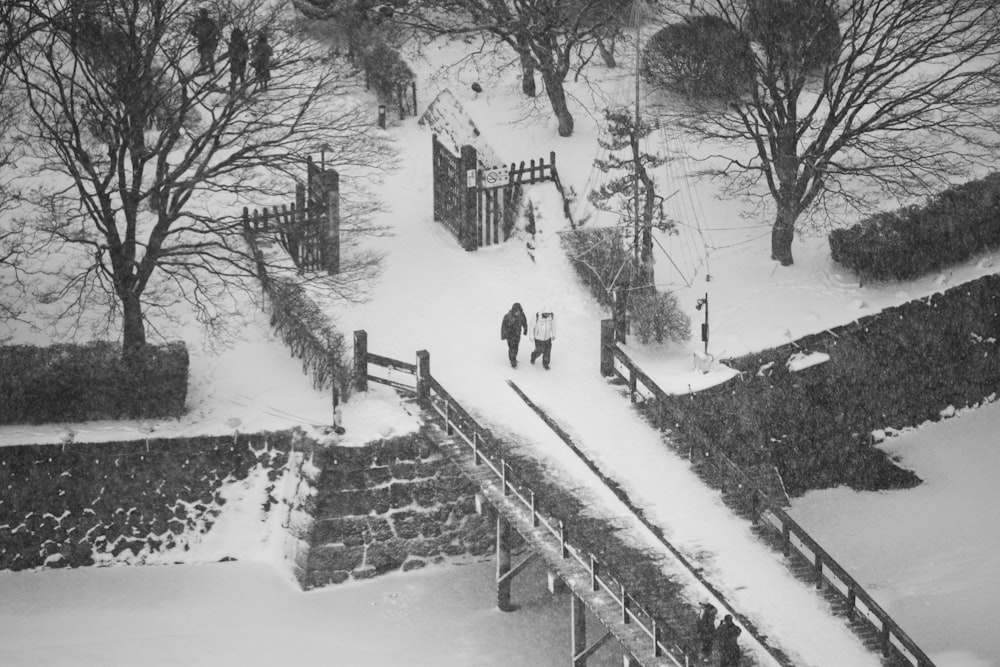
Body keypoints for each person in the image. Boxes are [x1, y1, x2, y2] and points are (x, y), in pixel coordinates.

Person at [190, 8, 220, 76]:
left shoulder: (210, 22)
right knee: (203, 55)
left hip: (210, 42)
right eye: (202, 14)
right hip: (202, 41)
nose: (203, 15)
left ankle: (212, 69)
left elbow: (216, 30)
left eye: (205, 14)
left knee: (210, 55)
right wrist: (198, 36)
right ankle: (203, 69)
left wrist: (213, 37)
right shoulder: (198, 22)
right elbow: (192, 32)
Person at [500, 302, 528, 368]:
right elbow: (503, 326)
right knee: (512, 348)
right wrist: (503, 335)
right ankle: (512, 361)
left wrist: (525, 329)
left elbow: (524, 322)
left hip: (518, 335)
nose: (517, 313)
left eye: (518, 311)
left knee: (516, 347)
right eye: (516, 311)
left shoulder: (521, 315)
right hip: (510, 336)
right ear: (513, 310)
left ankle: (514, 357)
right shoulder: (508, 317)